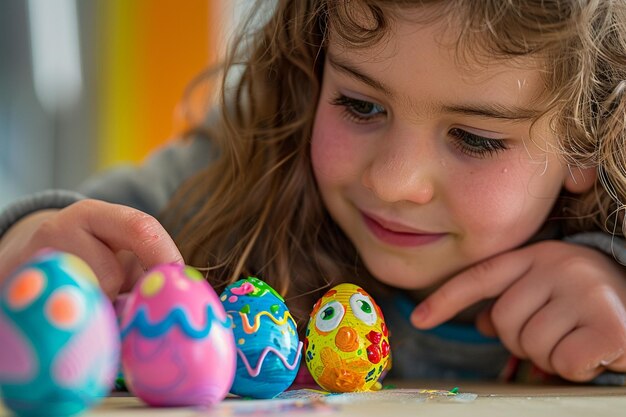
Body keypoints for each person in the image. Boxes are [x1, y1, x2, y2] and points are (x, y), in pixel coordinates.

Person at [2, 0, 626, 385]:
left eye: (474, 138)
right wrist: (27, 245)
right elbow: (64, 233)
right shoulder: (249, 159)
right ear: (314, 68)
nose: (393, 181)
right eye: (358, 104)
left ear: (586, 140)